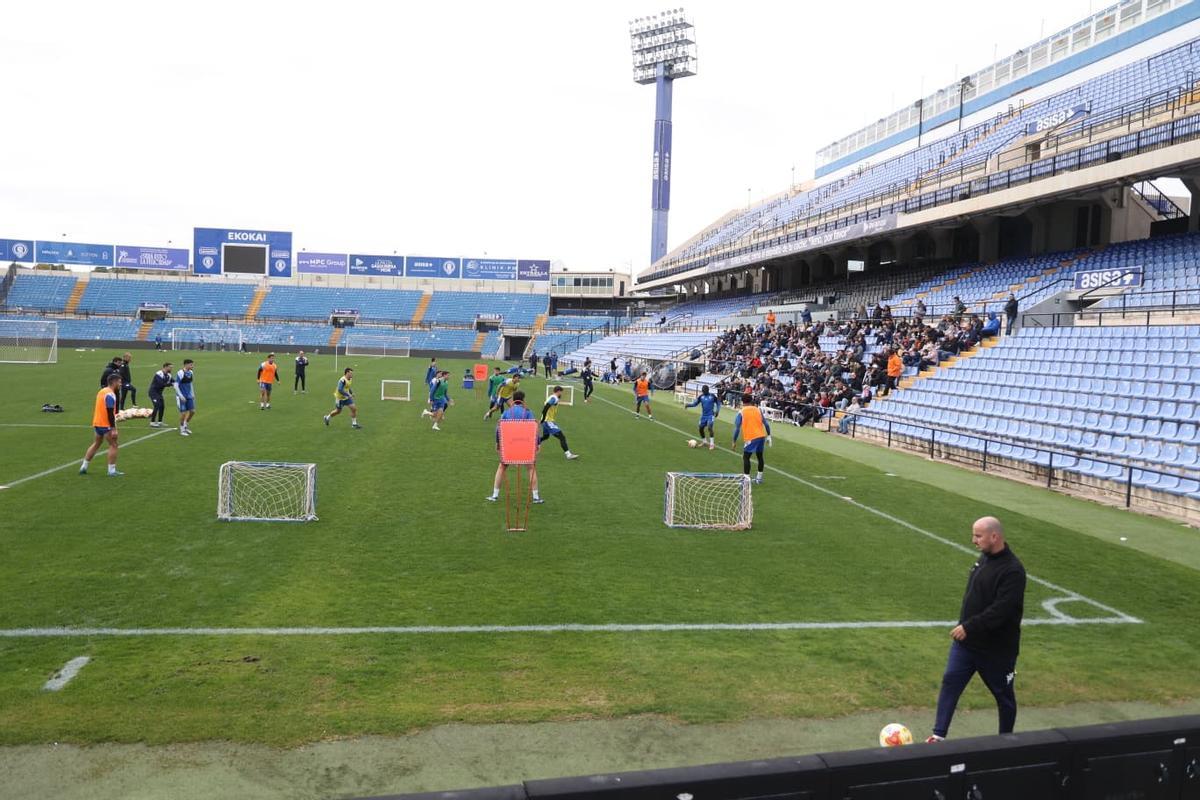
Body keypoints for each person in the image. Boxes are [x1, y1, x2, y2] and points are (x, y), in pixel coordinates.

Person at [927, 516, 1026, 743]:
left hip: (996, 650)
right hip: (967, 645)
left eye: (978, 536)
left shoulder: (1013, 571)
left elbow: (1001, 610)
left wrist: (969, 626)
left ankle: (1006, 741)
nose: (973, 540)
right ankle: (938, 735)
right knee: (950, 681)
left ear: (995, 536)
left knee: (1004, 697)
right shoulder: (984, 558)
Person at [487, 390, 543, 504]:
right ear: (523, 400)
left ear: (513, 400)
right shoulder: (528, 412)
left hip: (509, 445)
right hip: (524, 445)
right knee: (531, 469)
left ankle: (494, 495)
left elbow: (499, 427)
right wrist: (537, 443)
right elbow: (534, 428)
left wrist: (498, 442)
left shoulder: (507, 412)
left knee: (502, 468)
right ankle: (536, 497)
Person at [80, 372, 123, 476]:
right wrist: (113, 428)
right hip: (106, 424)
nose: (120, 384)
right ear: (114, 382)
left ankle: (83, 467)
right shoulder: (110, 394)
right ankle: (111, 471)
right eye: (119, 382)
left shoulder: (102, 391)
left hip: (97, 423)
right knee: (114, 445)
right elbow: (109, 411)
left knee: (96, 443)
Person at [732, 394, 771, 484]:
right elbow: (766, 424)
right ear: (751, 401)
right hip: (761, 436)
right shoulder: (758, 410)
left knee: (746, 457)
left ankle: (746, 480)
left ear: (742, 401)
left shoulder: (741, 412)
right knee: (760, 456)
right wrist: (769, 435)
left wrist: (734, 441)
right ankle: (759, 479)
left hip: (751, 437)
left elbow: (737, 428)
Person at [539, 386, 579, 459]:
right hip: (548, 421)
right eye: (561, 392)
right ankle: (568, 455)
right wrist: (543, 419)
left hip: (546, 420)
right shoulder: (554, 398)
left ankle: (535, 442)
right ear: (558, 391)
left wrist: (542, 419)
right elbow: (546, 407)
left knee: (546, 436)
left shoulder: (552, 397)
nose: (561, 394)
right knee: (562, 437)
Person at [686, 385, 721, 450]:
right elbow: (695, 404)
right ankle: (704, 441)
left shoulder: (712, 396)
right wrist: (688, 405)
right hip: (704, 415)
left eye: (704, 391)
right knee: (700, 428)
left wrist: (717, 411)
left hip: (711, 415)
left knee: (710, 427)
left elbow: (718, 403)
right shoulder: (701, 397)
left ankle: (712, 444)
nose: (703, 392)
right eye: (703, 391)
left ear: (707, 390)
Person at [147, 362, 173, 428]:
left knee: (162, 406)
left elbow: (173, 381)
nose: (171, 368)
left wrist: (178, 382)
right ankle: (152, 422)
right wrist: (171, 384)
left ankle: (160, 422)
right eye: (170, 367)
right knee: (157, 405)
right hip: (153, 392)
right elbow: (161, 384)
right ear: (165, 367)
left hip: (159, 393)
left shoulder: (169, 375)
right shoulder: (159, 374)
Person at [174, 359, 196, 436]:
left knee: (192, 411)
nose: (192, 366)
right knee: (183, 413)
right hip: (181, 396)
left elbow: (190, 384)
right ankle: (182, 429)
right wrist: (180, 395)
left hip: (189, 395)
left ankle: (185, 425)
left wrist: (192, 393)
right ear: (186, 365)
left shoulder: (191, 372)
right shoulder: (180, 373)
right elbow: (176, 385)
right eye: (191, 365)